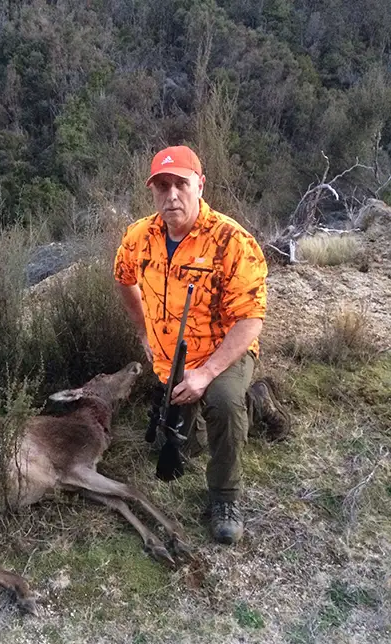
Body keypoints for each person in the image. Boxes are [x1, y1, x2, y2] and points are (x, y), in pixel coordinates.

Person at [114, 145, 289, 544]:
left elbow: (250, 320)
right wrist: (143, 331)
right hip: (169, 355)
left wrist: (208, 373)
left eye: (181, 184)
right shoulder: (139, 236)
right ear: (153, 190)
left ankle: (224, 498)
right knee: (178, 447)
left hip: (223, 350)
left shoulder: (232, 241)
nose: (171, 194)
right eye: (162, 185)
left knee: (224, 405)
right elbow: (123, 278)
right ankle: (258, 399)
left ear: (200, 185)